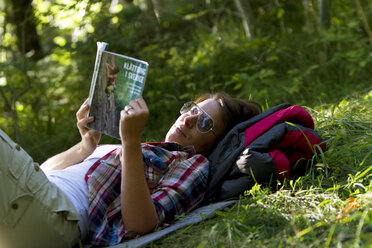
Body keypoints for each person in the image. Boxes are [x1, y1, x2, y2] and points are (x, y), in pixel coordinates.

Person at [0, 92, 261, 248]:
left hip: (56, 215)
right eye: (193, 109)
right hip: (32, 199)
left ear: (214, 143)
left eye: (204, 122)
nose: (189, 119)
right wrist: (86, 144)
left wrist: (131, 142)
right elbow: (44, 173)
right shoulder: (135, 147)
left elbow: (142, 224)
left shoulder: (192, 164)